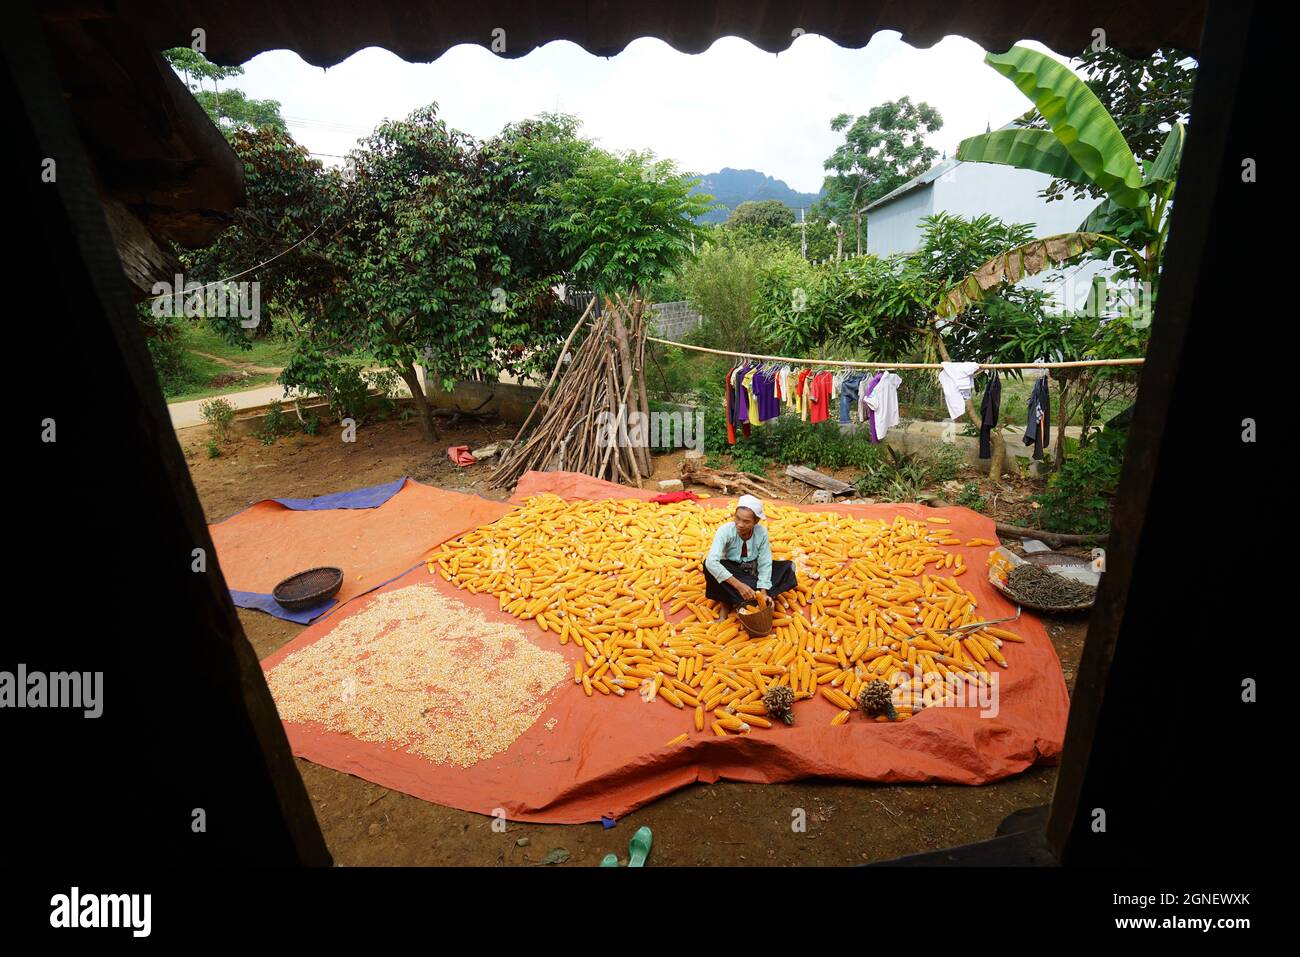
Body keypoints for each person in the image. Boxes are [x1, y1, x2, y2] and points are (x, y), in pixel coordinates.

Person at [702, 494, 798, 619]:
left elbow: (765, 562)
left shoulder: (761, 532)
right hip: (732, 571)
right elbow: (712, 562)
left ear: (756, 521)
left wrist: (763, 591)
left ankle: (757, 596)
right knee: (708, 565)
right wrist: (739, 586)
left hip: (753, 570)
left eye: (746, 521)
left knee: (788, 568)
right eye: (737, 518)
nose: (740, 524)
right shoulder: (725, 531)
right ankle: (727, 602)